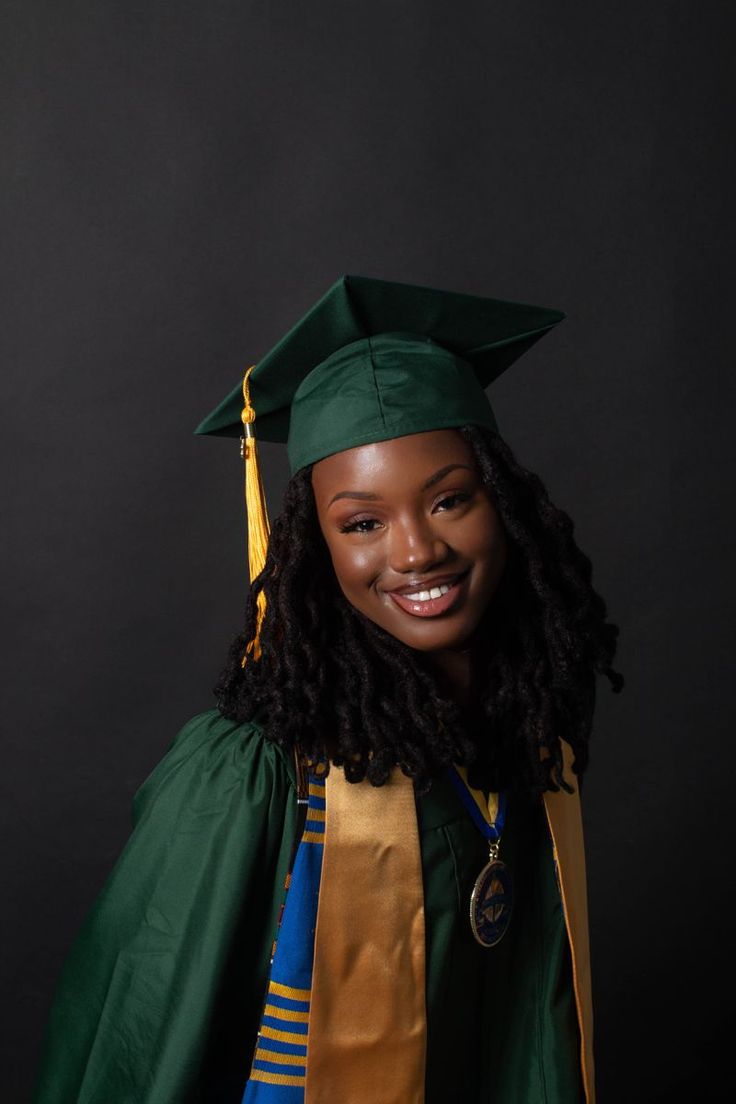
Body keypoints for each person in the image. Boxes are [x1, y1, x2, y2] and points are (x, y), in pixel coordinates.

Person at [33, 274, 623, 1104]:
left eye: (451, 500)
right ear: (318, 549)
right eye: (363, 523)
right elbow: (134, 1039)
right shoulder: (254, 774)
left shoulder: (525, 738)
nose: (418, 552)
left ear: (509, 504)